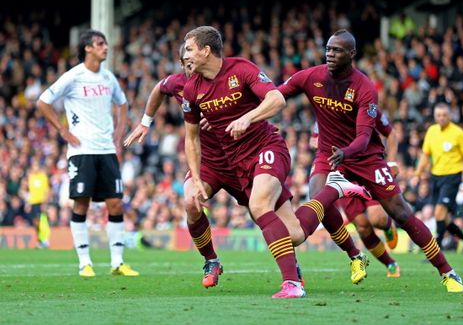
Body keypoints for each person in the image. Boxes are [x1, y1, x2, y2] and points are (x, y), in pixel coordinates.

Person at [181, 26, 370, 298]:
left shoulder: (242, 69)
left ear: (206, 50)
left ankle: (292, 283)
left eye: (189, 49)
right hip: (234, 163)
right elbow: (191, 139)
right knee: (294, 234)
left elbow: (276, 98)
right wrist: (197, 180)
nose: (185, 56)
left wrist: (248, 117)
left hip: (266, 148)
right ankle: (333, 189)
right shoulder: (191, 89)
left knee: (259, 205)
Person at [278, 29, 463, 292]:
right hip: (330, 155)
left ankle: (447, 271)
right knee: (318, 201)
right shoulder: (311, 76)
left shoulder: (364, 87)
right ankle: (356, 256)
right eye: (328, 49)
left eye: (337, 50)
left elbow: (365, 137)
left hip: (365, 158)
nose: (330, 54)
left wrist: (349, 153)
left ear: (352, 54)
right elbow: (277, 94)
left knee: (400, 213)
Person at [124, 45, 252, 288]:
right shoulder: (179, 83)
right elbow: (159, 88)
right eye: (185, 62)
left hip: (241, 157)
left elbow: (259, 98)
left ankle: (290, 264)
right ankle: (211, 260)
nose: (189, 66)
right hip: (209, 162)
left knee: (262, 211)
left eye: (191, 59)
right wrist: (145, 122)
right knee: (190, 201)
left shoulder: (226, 78)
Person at [37, 29, 139, 277]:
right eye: (100, 43)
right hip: (82, 151)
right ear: (88, 48)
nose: (106, 47)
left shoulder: (108, 78)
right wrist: (62, 130)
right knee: (81, 204)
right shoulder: (73, 77)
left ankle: (117, 263)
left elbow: (122, 103)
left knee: (115, 203)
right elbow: (43, 101)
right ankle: (85, 262)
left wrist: (120, 131)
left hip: (106, 150)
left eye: (105, 43)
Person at [311, 112, 402, 278]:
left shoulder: (364, 105)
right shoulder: (324, 109)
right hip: (342, 173)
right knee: (362, 225)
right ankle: (390, 263)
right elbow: (314, 139)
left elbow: (391, 133)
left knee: (377, 218)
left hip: (367, 167)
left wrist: (392, 162)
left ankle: (388, 226)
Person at [413, 103, 463, 262]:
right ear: (435, 116)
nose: (441, 118)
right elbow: (424, 155)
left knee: (439, 212)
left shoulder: (458, 133)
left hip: (452, 177)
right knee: (444, 219)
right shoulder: (431, 131)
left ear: (450, 116)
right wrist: (417, 173)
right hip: (436, 177)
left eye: (444, 115)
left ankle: (435, 252)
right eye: (438, 115)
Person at [27, 159, 51, 248]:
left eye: (36, 165)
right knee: (35, 222)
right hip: (33, 202)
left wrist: (45, 202)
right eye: (33, 166)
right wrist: (28, 203)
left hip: (41, 202)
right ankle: (39, 240)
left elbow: (47, 190)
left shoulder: (43, 177)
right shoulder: (31, 177)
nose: (35, 167)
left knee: (42, 221)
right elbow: (30, 191)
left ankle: (45, 240)